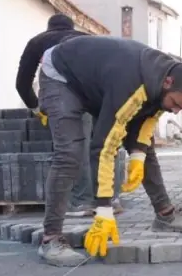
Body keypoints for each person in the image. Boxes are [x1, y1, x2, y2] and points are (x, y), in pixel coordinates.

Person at [36, 35, 182, 267]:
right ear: (168, 82)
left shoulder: (161, 84)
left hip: (98, 83)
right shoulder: (131, 84)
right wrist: (104, 211)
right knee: (70, 153)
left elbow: (147, 121)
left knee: (146, 150)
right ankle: (50, 239)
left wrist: (137, 154)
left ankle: (165, 215)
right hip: (61, 75)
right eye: (176, 104)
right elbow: (104, 148)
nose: (176, 112)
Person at [14, 14, 113, 217]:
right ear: (72, 27)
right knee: (104, 145)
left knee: (75, 146)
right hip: (101, 94)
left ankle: (81, 202)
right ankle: (110, 199)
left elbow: (22, 83)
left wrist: (35, 107)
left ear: (49, 28)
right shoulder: (88, 39)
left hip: (69, 94)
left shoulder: (38, 41)